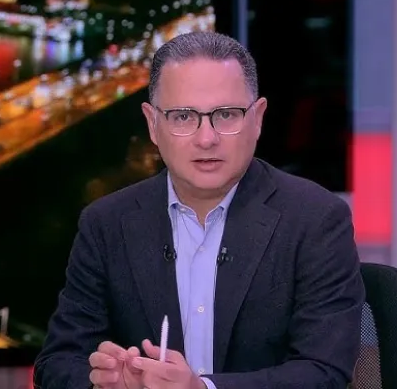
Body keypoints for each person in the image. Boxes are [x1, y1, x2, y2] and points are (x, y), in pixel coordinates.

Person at [34, 31, 364, 389]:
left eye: (226, 115)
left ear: (257, 119)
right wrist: (105, 381)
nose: (206, 139)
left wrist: (202, 388)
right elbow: (57, 363)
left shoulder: (315, 219)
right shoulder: (106, 224)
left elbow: (324, 371)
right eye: (183, 117)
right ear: (152, 124)